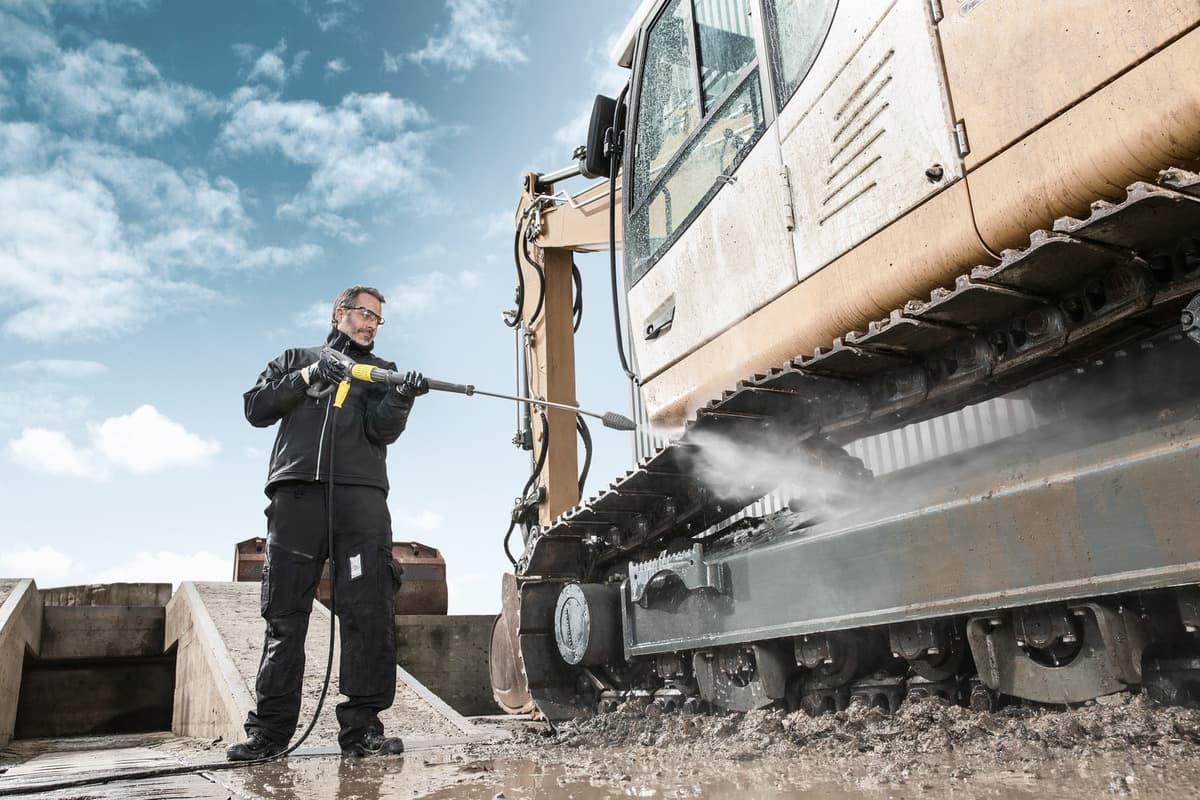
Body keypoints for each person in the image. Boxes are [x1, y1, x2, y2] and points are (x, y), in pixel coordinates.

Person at [227, 285, 428, 761]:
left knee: (368, 611)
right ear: (340, 313)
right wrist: (308, 376)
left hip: (360, 502)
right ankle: (270, 735)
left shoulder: (381, 374)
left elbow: (382, 431)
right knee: (284, 615)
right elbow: (255, 407)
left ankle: (362, 732)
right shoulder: (295, 358)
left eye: (379, 319)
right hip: (297, 497)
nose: (371, 324)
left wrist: (402, 395)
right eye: (364, 314)